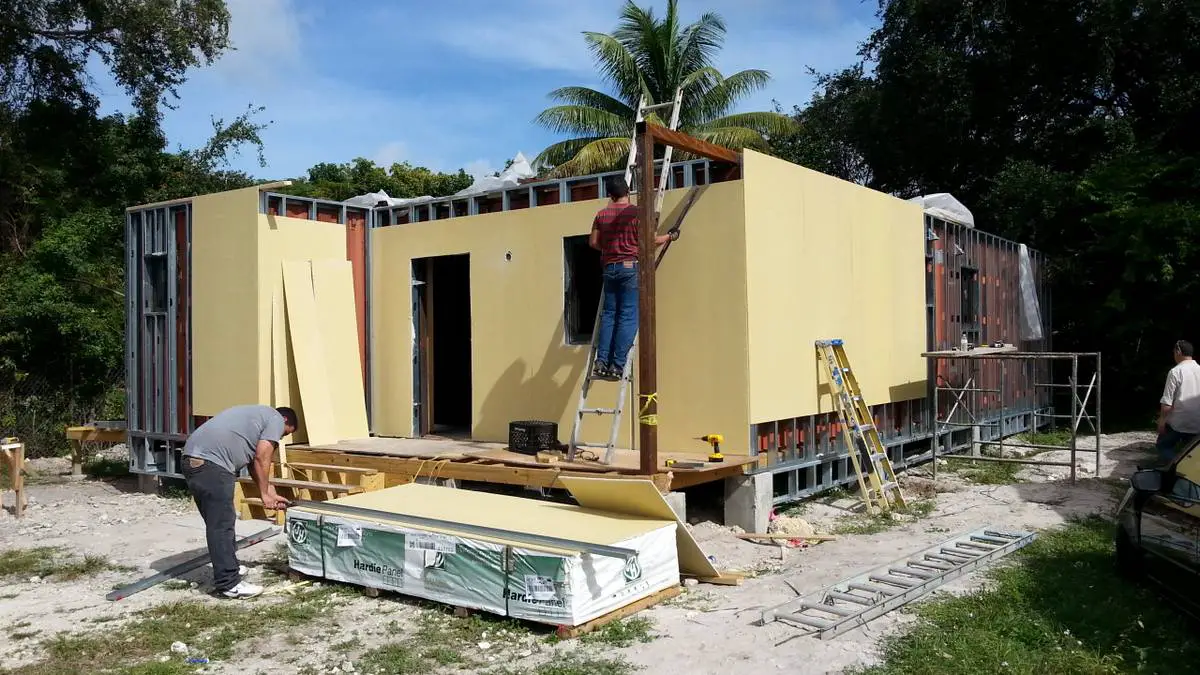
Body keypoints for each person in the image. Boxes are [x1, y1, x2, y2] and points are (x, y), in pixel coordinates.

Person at [182, 404, 298, 598]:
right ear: (286, 420)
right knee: (222, 525)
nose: (279, 438)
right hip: (213, 466)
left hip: (192, 462)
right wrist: (264, 493)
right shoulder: (275, 418)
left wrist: (267, 493)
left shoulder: (255, 416)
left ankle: (229, 566)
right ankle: (229, 584)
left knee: (218, 524)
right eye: (284, 434)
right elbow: (262, 456)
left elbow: (254, 463)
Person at [588, 175, 678, 381]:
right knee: (627, 316)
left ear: (610, 195)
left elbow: (593, 242)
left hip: (609, 268)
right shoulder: (637, 213)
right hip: (630, 268)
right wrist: (670, 237)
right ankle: (617, 366)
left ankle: (601, 362)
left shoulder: (601, 215)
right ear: (628, 192)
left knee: (610, 315)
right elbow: (651, 241)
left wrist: (610, 250)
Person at [1157, 340, 1200, 465]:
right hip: (1197, 422)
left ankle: (1175, 466)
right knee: (1191, 452)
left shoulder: (1176, 371)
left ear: (1178, 351)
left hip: (1178, 422)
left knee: (1163, 445)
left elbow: (1167, 402)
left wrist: (1162, 422)